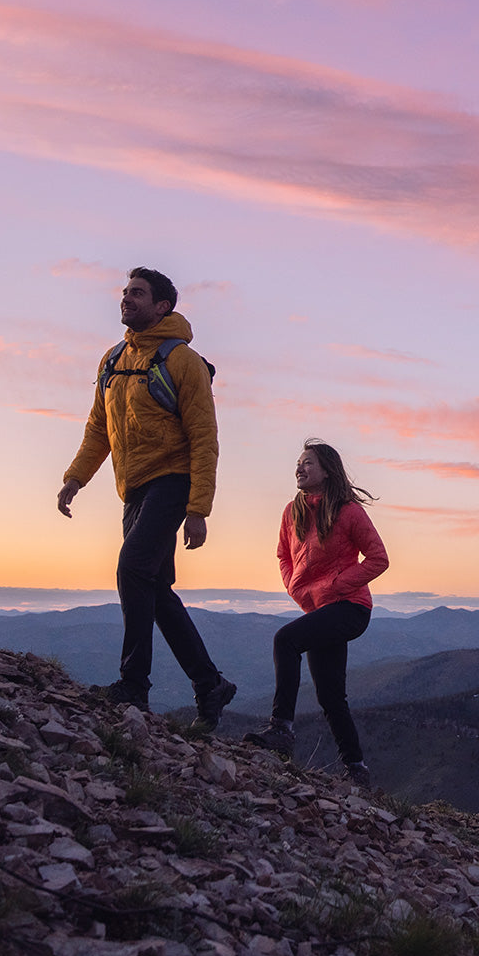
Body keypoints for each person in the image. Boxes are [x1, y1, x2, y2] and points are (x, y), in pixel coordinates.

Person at [57, 268, 236, 728]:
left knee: (131, 567)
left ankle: (133, 685)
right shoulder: (113, 360)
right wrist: (76, 478)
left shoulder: (182, 360)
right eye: (125, 292)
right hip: (133, 485)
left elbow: (204, 437)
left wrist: (198, 508)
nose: (127, 299)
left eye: (138, 293)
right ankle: (209, 684)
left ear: (163, 306)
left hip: (172, 480)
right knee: (154, 590)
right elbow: (100, 428)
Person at [244, 439, 388, 786]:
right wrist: (294, 586)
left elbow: (378, 559)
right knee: (329, 694)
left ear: (326, 470)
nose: (299, 468)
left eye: (307, 462)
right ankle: (357, 769)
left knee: (286, 640)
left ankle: (281, 729)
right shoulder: (291, 512)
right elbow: (283, 554)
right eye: (298, 462)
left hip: (350, 607)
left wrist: (337, 585)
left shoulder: (349, 511)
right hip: (319, 608)